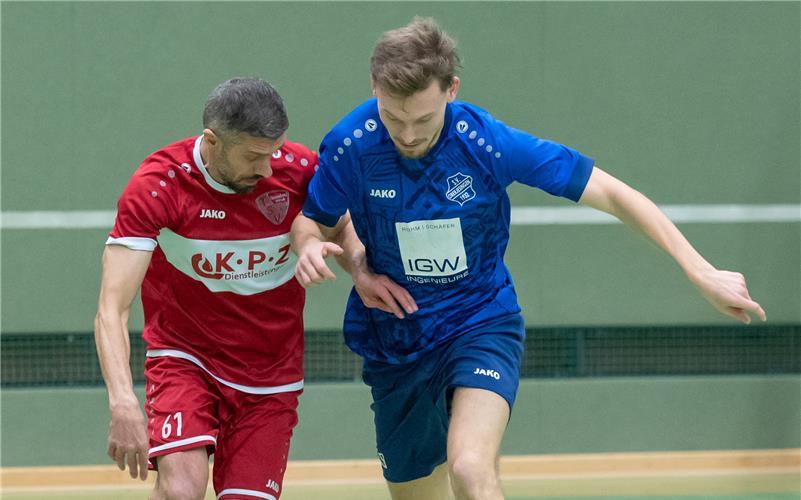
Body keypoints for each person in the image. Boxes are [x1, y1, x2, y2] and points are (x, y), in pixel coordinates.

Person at [290, 17, 767, 500]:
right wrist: (324, 252)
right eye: (394, 118)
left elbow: (612, 192)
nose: (408, 135)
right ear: (374, 87)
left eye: (423, 120)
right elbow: (315, 221)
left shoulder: (488, 144)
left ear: (451, 90)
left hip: (479, 320)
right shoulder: (350, 146)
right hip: (397, 336)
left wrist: (699, 269)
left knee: (472, 468)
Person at [94, 77, 320, 500]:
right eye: (254, 156)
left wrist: (355, 267)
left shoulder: (300, 170)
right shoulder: (160, 185)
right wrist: (123, 400)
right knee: (181, 488)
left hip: (271, 373)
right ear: (213, 141)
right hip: (185, 357)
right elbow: (111, 307)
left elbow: (343, 226)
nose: (267, 168)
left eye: (273, 152)